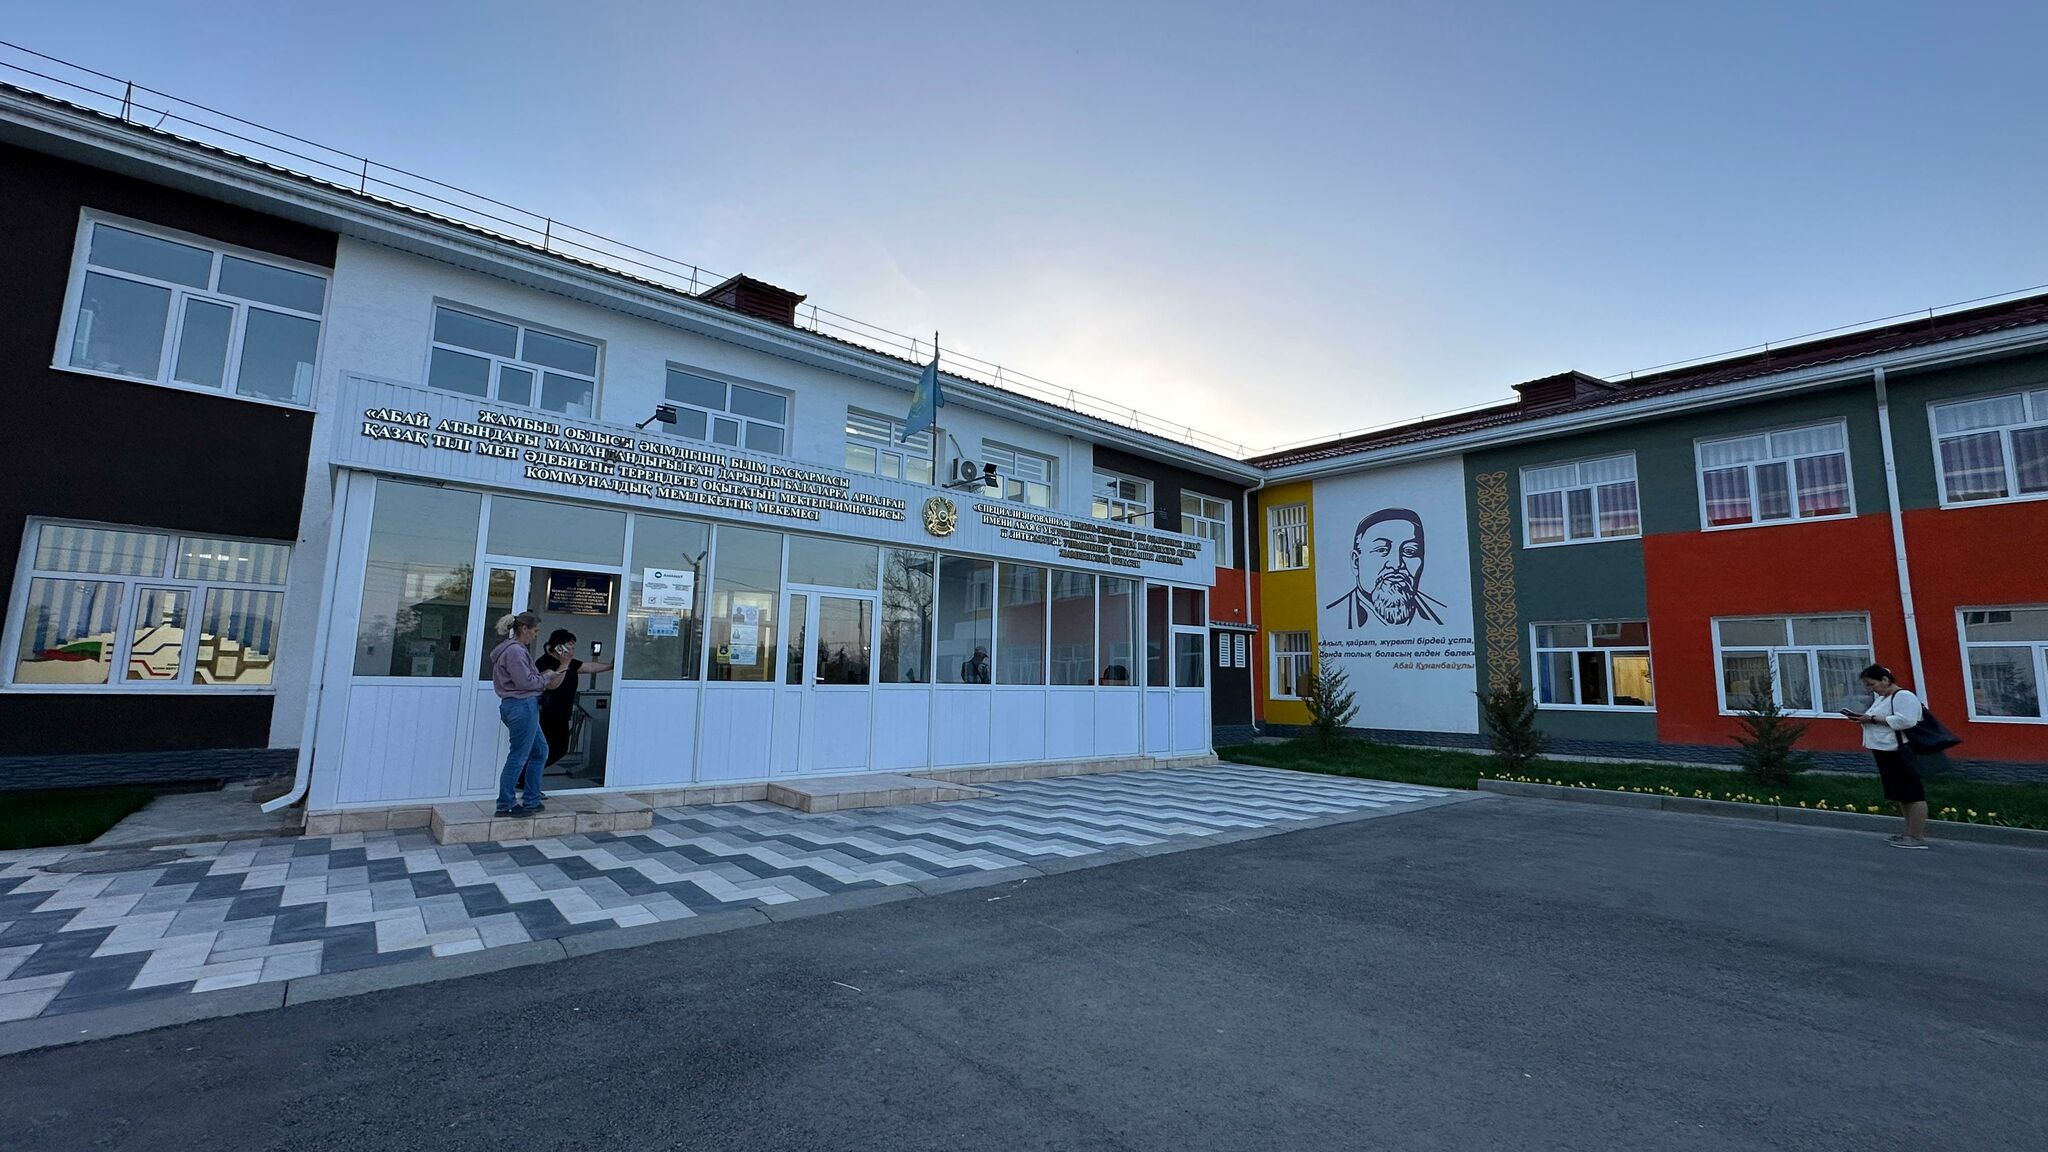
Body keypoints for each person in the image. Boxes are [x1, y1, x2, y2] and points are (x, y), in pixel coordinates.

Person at [1840, 663, 1928, 849]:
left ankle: (1916, 837)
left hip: (1900, 750)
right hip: (1885, 750)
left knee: (1913, 793)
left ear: (1885, 680)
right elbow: (1879, 718)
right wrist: (1863, 718)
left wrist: (1871, 719)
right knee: (1901, 794)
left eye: (1872, 684)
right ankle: (1907, 833)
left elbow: (1907, 721)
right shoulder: (1883, 699)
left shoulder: (1903, 696)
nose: (1871, 689)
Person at [490, 612, 565, 817]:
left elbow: (525, 679)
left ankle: (531, 799)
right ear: (524, 629)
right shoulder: (515, 651)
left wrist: (542, 676)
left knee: (540, 751)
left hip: (521, 705)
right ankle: (505, 804)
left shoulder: (513, 650)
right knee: (519, 755)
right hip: (522, 706)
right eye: (535, 630)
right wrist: (546, 677)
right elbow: (525, 683)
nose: (536, 635)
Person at [1326, 507, 1449, 629]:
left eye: (1409, 551)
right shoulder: (1330, 619)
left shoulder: (1445, 616)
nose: (1396, 564)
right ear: (1356, 562)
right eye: (1381, 550)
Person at [534, 629, 613, 773]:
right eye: (568, 647)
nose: (571, 651)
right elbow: (551, 685)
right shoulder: (544, 662)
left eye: (573, 647)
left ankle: (528, 776)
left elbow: (589, 666)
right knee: (548, 750)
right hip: (547, 714)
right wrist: (564, 665)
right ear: (558, 647)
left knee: (559, 749)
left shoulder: (570, 663)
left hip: (562, 714)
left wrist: (611, 666)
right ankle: (525, 776)